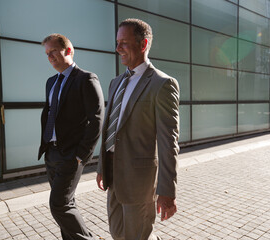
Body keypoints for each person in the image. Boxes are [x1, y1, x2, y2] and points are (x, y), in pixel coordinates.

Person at [96, 19, 180, 240]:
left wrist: (167, 191)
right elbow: (110, 128)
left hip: (140, 181)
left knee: (138, 236)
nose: (117, 49)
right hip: (114, 176)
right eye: (117, 42)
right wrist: (101, 166)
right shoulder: (116, 82)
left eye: (123, 42)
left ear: (143, 45)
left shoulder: (162, 84)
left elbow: (168, 142)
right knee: (118, 234)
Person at [38, 33, 104, 240]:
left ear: (68, 50)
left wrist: (81, 155)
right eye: (47, 53)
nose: (50, 57)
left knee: (59, 204)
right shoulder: (51, 82)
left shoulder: (86, 78)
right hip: (52, 153)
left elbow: (97, 119)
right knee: (67, 204)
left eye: (53, 51)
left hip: (71, 155)